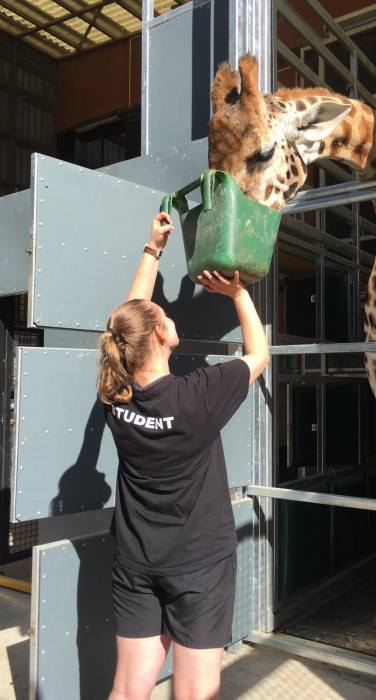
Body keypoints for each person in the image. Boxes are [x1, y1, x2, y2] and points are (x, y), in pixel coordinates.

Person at [96, 211, 270, 700]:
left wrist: (152, 249)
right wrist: (238, 293)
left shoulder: (115, 394)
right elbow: (259, 353)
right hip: (200, 567)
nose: (168, 317)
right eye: (164, 318)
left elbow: (129, 314)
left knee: (128, 690)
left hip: (136, 561)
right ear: (159, 337)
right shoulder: (200, 395)